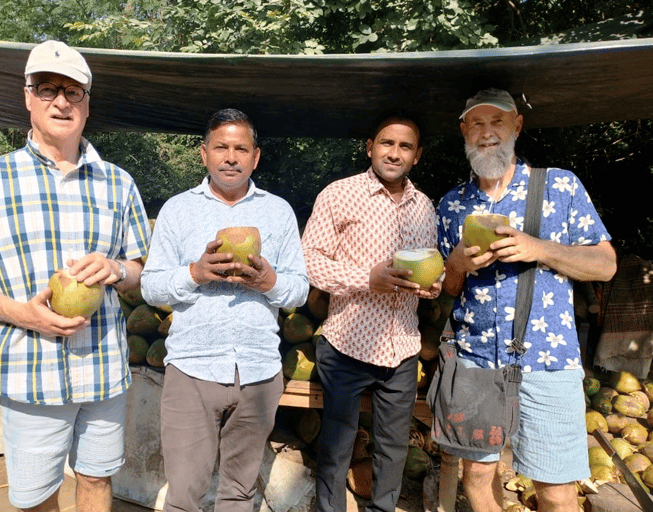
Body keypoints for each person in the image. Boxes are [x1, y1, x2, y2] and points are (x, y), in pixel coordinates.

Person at [0, 40, 151, 512]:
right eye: (48, 88)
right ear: (28, 97)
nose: (61, 101)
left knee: (96, 480)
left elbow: (140, 271)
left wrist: (118, 269)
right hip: (30, 371)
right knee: (37, 498)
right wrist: (24, 314)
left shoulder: (119, 182)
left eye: (73, 91)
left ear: (87, 103)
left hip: (102, 367)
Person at [436, 88, 617, 512]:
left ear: (516, 126)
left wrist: (541, 248)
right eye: (477, 123)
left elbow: (605, 265)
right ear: (464, 132)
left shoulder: (559, 185)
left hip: (547, 361)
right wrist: (457, 264)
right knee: (477, 479)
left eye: (497, 122)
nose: (487, 133)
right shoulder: (452, 204)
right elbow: (448, 290)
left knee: (555, 491)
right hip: (476, 359)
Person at [140, 108, 309, 512]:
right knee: (184, 496)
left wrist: (269, 282)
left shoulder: (278, 212)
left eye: (240, 148)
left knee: (239, 493)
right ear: (204, 154)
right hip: (192, 369)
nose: (230, 157)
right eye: (221, 147)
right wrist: (196, 272)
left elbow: (299, 291)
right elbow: (149, 285)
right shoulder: (178, 210)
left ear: (256, 157)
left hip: (258, 371)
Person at [301, 114, 441, 512]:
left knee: (394, 447)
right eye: (387, 143)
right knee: (338, 443)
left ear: (416, 156)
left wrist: (431, 284)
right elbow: (309, 260)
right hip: (347, 342)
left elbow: (429, 264)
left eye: (405, 146)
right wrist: (367, 278)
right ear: (370, 147)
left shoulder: (424, 206)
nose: (394, 153)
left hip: (402, 347)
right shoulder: (339, 194)